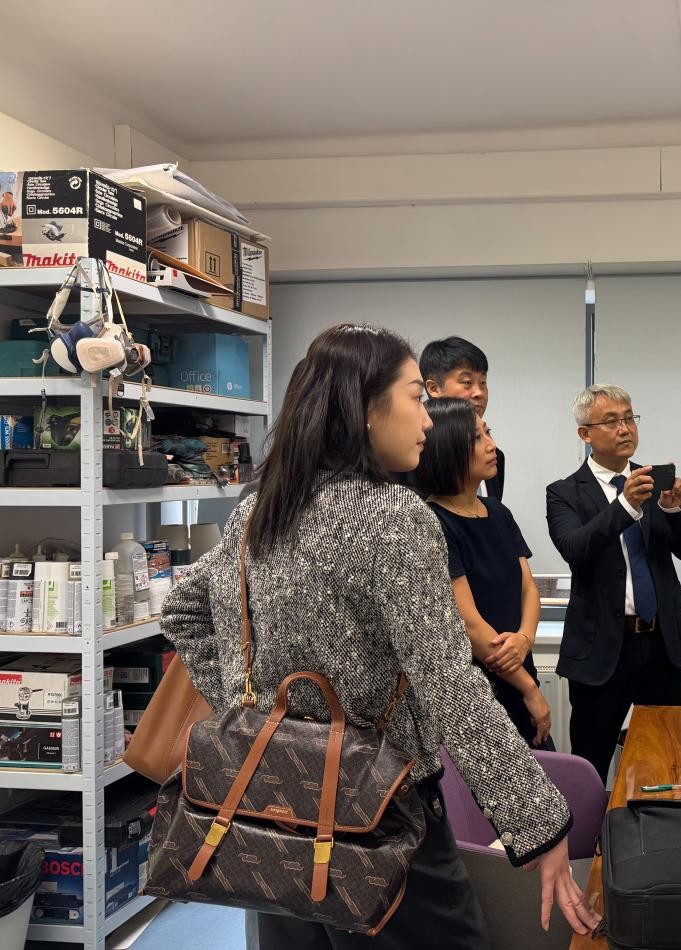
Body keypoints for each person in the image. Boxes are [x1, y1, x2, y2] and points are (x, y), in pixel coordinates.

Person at [161, 324, 599, 950]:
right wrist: (538, 822)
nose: (429, 418)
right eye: (417, 397)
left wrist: (245, 710)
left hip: (270, 803)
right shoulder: (393, 517)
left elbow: (183, 610)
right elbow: (450, 685)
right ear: (366, 408)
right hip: (382, 811)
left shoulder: (259, 510)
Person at [545, 384, 681, 781]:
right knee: (592, 763)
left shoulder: (653, 483)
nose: (624, 428)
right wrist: (626, 505)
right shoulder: (564, 492)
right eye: (611, 421)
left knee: (667, 758)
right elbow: (575, 548)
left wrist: (674, 509)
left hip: (661, 644)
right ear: (585, 434)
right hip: (601, 649)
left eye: (630, 418)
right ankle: (591, 825)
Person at [412, 396, 554, 749]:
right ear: (447, 448)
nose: (492, 446)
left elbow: (528, 589)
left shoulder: (498, 512)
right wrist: (529, 688)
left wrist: (524, 639)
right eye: (478, 438)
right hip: (482, 687)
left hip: (519, 665)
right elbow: (470, 624)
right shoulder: (432, 522)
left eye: (488, 433)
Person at [420, 336, 505, 499]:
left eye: (483, 382)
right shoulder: (414, 456)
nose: (479, 393)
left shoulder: (495, 458)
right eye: (467, 382)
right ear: (434, 388)